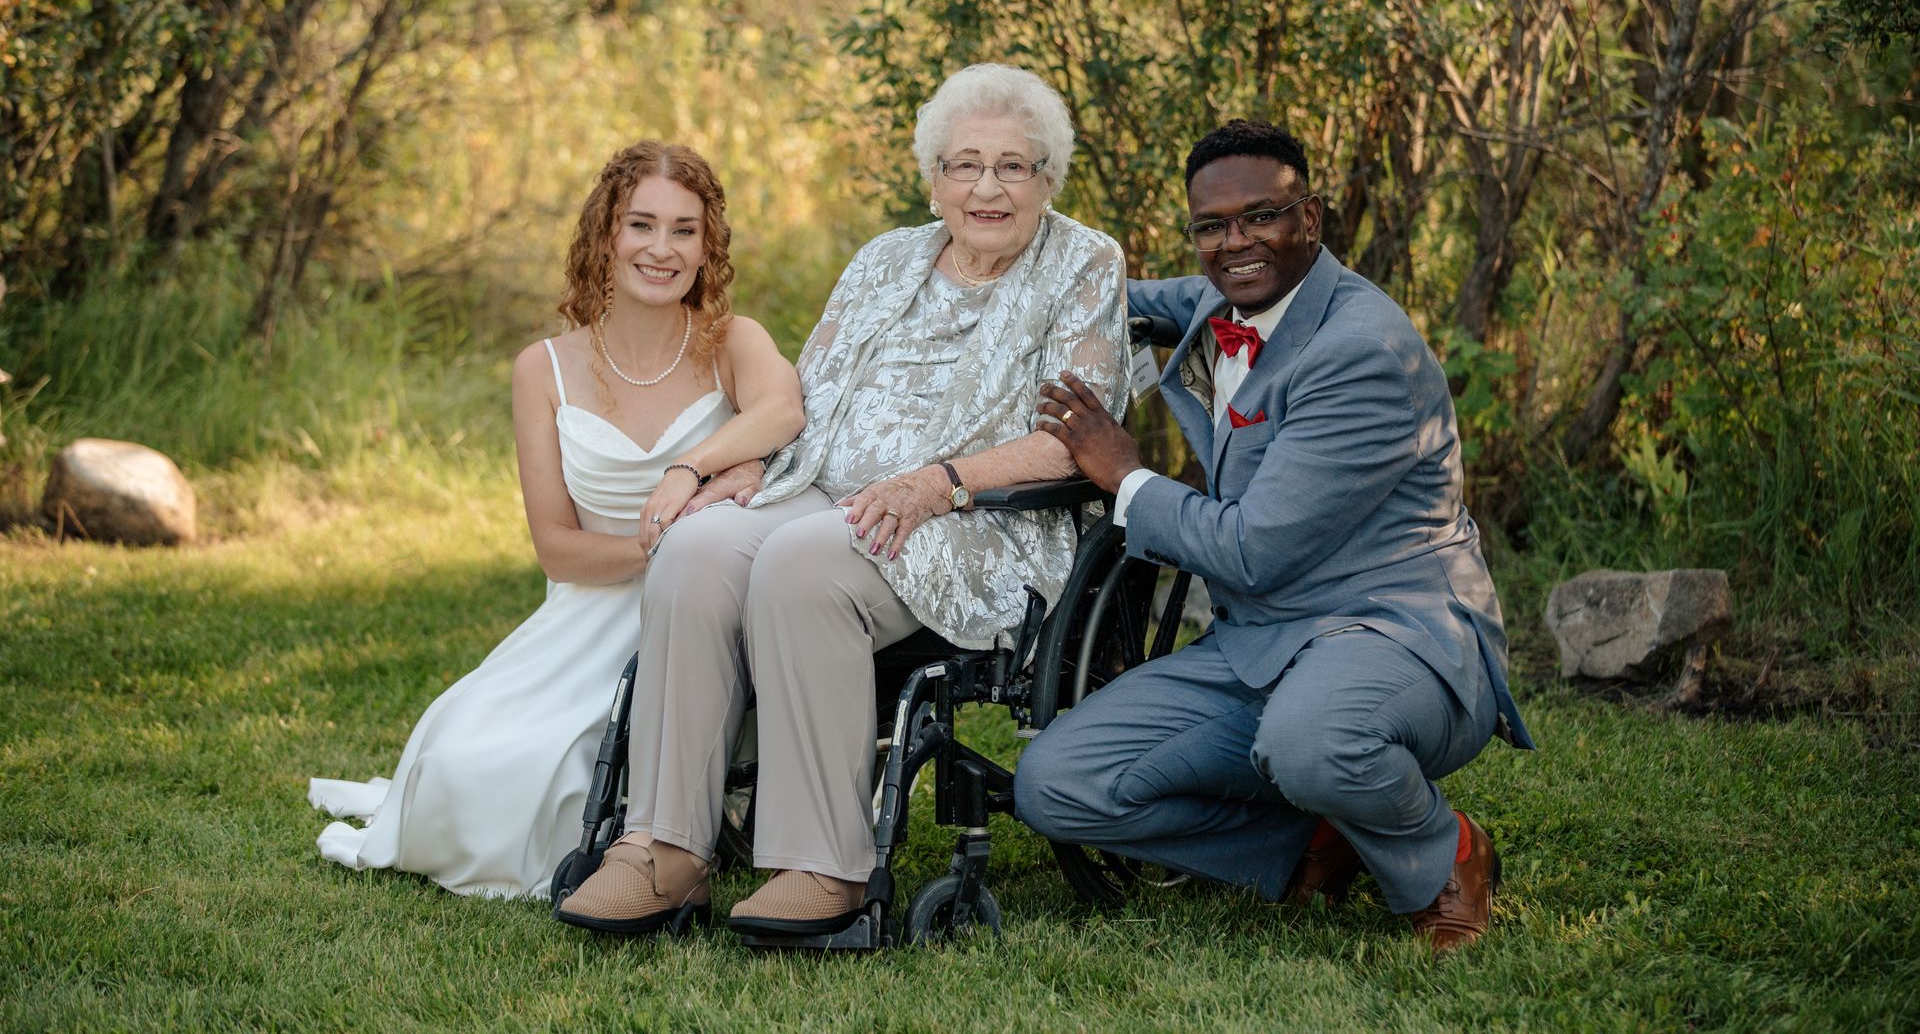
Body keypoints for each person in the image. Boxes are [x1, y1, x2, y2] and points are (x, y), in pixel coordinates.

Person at [553, 64, 1130, 940]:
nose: (986, 188)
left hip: (978, 518)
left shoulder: (1085, 262)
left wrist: (938, 482)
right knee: (698, 547)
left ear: (1048, 179)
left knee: (802, 560)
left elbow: (1071, 438)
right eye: (965, 165)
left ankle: (821, 862)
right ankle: (665, 847)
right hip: (830, 492)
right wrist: (752, 470)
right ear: (933, 178)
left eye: (1013, 166)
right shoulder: (885, 258)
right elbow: (810, 395)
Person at [1017, 118, 1535, 952]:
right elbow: (1117, 293)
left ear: (1311, 218)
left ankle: (1444, 853)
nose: (1236, 243)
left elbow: (1251, 551)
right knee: (1056, 783)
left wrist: (1126, 475)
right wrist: (990, 273)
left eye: (1261, 217)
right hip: (1257, 644)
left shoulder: (1362, 352)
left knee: (1313, 742)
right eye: (1212, 227)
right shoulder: (1222, 298)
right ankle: (1311, 839)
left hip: (1393, 634)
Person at [307, 141, 805, 898]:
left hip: (704, 614)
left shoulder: (734, 342)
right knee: (460, 765)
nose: (662, 249)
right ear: (606, 234)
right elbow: (557, 549)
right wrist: (667, 541)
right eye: (641, 225)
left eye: (685, 230)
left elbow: (783, 410)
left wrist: (690, 469)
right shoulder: (542, 369)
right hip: (583, 619)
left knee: (556, 773)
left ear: (708, 248)